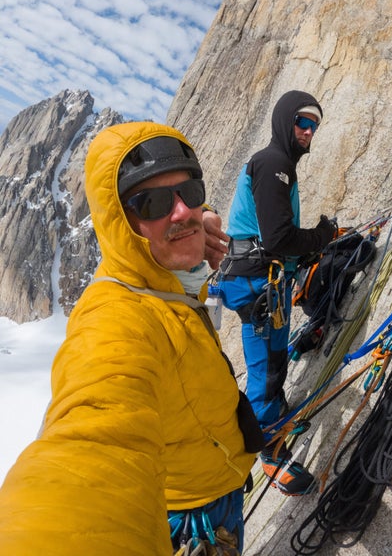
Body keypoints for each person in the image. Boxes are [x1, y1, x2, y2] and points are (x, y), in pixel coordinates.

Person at [0, 121, 261, 556]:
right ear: (122, 224)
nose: (180, 211)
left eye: (189, 192)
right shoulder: (115, 318)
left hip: (219, 483)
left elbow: (177, 224)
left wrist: (198, 227)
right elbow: (94, 444)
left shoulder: (168, 269)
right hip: (193, 516)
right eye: (154, 202)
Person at [218, 90, 336, 496]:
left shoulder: (279, 165)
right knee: (265, 370)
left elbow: (275, 240)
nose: (308, 131)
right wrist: (323, 234)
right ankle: (268, 452)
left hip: (262, 278)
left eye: (314, 125)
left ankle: (274, 419)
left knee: (272, 361)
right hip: (256, 282)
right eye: (302, 122)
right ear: (285, 121)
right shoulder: (274, 164)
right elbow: (280, 236)